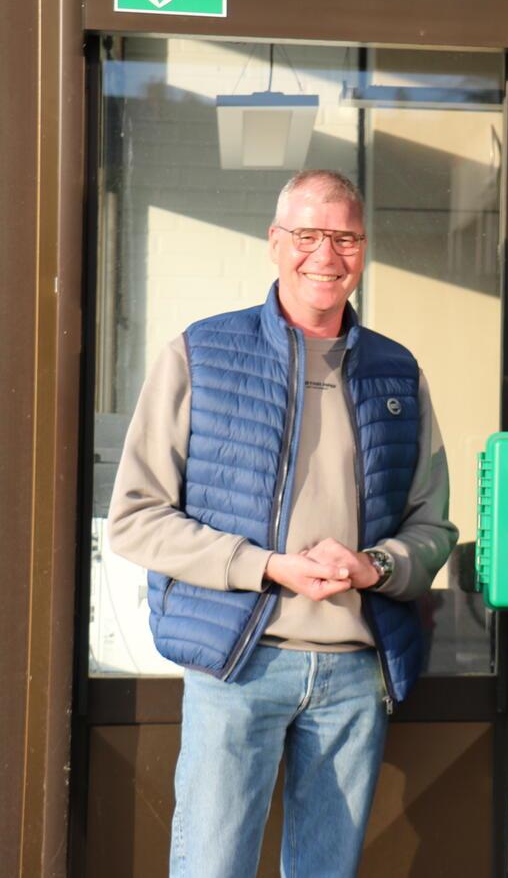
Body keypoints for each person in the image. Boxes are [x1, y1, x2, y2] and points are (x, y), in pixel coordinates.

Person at [108, 170, 455, 878]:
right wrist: (266, 566)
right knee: (212, 868)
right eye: (307, 234)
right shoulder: (201, 354)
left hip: (353, 673)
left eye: (344, 237)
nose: (325, 254)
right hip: (237, 665)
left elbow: (433, 526)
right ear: (274, 242)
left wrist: (375, 567)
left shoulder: (398, 371)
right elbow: (136, 519)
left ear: (363, 248)